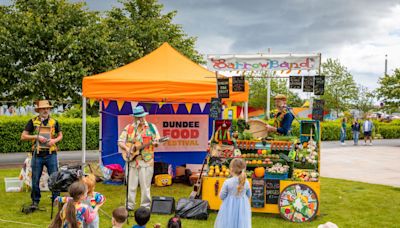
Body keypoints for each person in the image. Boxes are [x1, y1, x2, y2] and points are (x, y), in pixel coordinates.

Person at [20, 100, 63, 209]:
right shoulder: (33, 121)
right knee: (35, 179)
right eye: (43, 108)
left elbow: (60, 135)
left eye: (47, 108)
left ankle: (56, 199)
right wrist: (36, 137)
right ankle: (35, 201)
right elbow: (23, 136)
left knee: (55, 178)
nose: (45, 110)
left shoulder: (54, 122)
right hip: (37, 154)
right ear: (39, 110)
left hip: (51, 154)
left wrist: (54, 141)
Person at [118, 106, 160, 210]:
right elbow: (120, 142)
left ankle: (145, 206)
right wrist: (127, 149)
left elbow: (157, 142)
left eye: (141, 117)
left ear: (145, 116)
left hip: (146, 161)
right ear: (134, 118)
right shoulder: (129, 128)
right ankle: (129, 205)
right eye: (138, 117)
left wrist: (155, 143)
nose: (140, 119)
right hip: (132, 161)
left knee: (145, 186)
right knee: (131, 186)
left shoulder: (152, 127)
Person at [214, 158, 251, 228]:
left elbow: (221, 196)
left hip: (228, 207)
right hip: (243, 207)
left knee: (228, 223)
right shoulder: (246, 182)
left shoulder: (227, 182)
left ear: (231, 169)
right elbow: (249, 195)